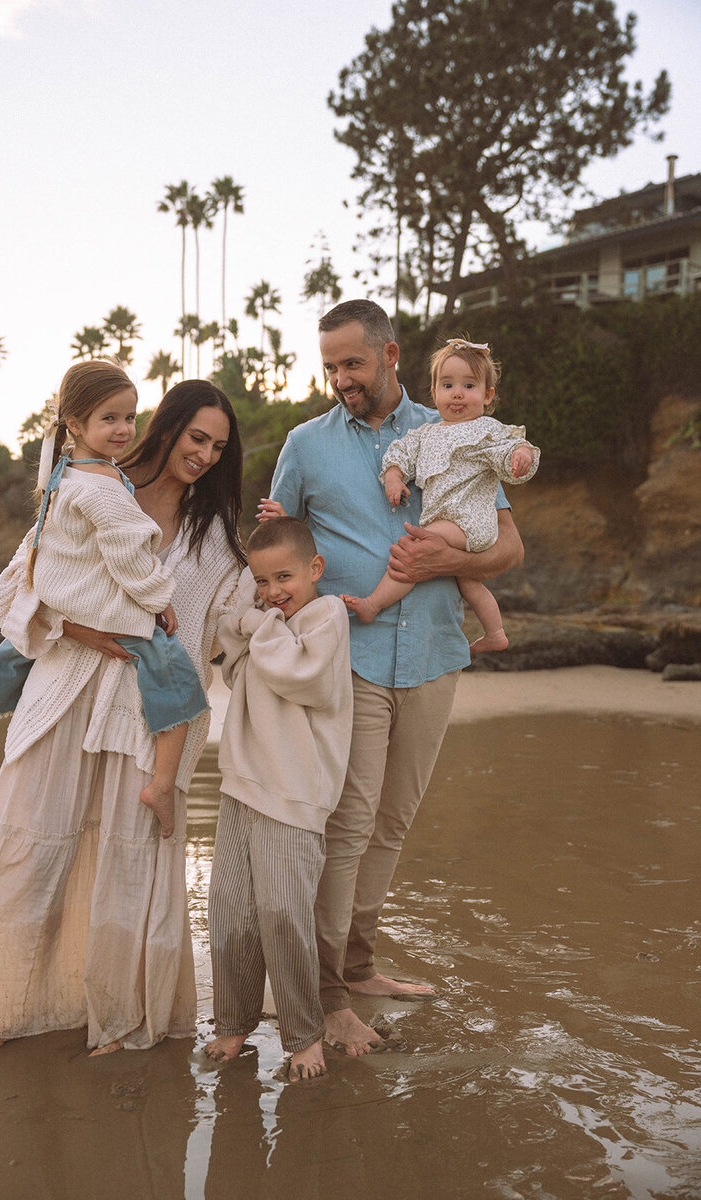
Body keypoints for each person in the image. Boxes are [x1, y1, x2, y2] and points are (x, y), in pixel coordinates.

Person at [0, 375, 245, 1056]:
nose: (206, 454)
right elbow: (21, 581)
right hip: (63, 693)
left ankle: (120, 1020)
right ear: (165, 429)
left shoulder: (213, 534)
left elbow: (213, 633)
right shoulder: (91, 486)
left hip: (142, 715)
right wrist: (71, 626)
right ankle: (1, 1009)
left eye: (219, 446)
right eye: (196, 437)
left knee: (128, 869)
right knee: (29, 854)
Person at [258, 299, 524, 1056]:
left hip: (437, 652)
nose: (341, 377)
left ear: (389, 354)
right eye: (330, 365)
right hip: (354, 655)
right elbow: (278, 550)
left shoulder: (451, 430)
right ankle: (326, 995)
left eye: (352, 362)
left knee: (394, 821)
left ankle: (360, 964)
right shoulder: (306, 445)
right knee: (350, 821)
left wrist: (451, 560)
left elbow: (506, 546)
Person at [0, 359, 209, 838]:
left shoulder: (62, 476)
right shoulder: (104, 488)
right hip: (100, 608)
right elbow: (131, 558)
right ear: (75, 424)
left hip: (56, 599)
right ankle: (162, 786)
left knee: (16, 653)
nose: (125, 429)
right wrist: (159, 599)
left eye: (130, 417)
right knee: (180, 684)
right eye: (110, 419)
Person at [204, 518, 352, 1081]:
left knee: (283, 914)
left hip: (294, 792)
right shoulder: (268, 622)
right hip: (241, 783)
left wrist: (252, 620)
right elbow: (234, 656)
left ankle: (304, 1035)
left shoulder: (325, 615)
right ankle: (233, 1022)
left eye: (284, 577)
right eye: (261, 580)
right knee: (232, 912)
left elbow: (304, 676)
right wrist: (252, 616)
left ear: (315, 570)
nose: (271, 592)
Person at [341, 338, 539, 652]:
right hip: (451, 522)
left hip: (469, 521)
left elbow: (512, 446)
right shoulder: (426, 433)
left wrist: (521, 456)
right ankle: (496, 632)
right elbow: (400, 454)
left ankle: (373, 603)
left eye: (469, 386)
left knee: (413, 552)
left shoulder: (485, 430)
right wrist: (393, 477)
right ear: (434, 393)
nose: (457, 393)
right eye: (447, 385)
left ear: (487, 396)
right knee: (469, 581)